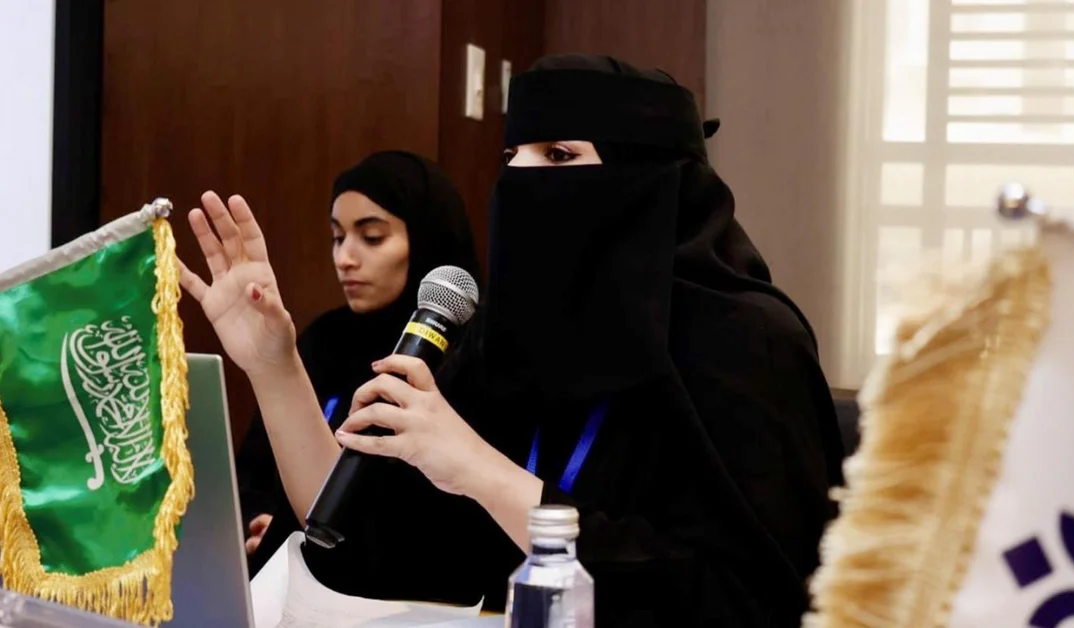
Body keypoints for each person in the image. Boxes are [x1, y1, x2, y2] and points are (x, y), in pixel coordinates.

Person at [179, 54, 844, 627]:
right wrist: (274, 366)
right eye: (511, 157)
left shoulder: (749, 344)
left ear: (647, 183)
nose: (521, 179)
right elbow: (362, 543)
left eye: (558, 156)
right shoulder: (508, 337)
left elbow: (748, 599)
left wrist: (481, 470)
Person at [229, 150, 480, 569]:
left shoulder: (470, 353)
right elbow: (251, 471)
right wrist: (261, 522)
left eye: (372, 237)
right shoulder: (324, 338)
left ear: (426, 238)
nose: (345, 257)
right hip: (290, 573)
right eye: (337, 237)